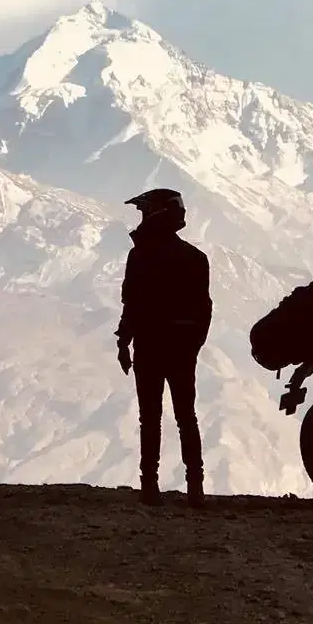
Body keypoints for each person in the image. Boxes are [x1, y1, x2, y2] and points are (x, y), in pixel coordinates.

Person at [116, 187, 211, 506]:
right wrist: (192, 346)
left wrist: (124, 341)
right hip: (182, 350)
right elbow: (204, 311)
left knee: (150, 417)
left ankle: (149, 486)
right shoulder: (197, 259)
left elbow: (131, 301)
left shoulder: (140, 255)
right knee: (187, 416)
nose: (141, 217)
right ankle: (195, 488)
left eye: (145, 211)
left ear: (156, 214)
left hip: (149, 346)